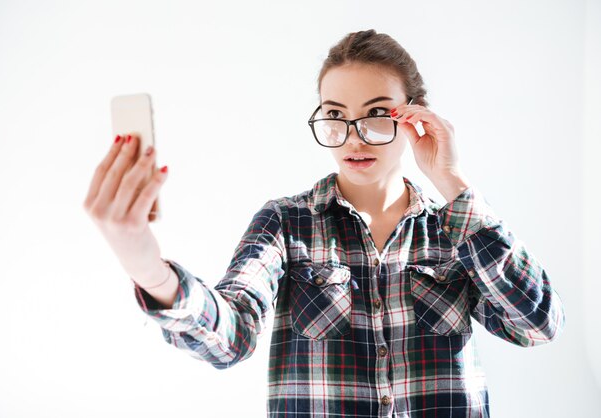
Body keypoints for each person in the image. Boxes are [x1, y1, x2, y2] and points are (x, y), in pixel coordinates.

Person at [84, 29, 565, 417]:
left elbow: (539, 324)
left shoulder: (455, 231)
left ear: (416, 118)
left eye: (377, 115)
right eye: (336, 115)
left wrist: (452, 181)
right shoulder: (285, 224)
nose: (353, 137)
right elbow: (230, 337)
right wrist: (149, 270)